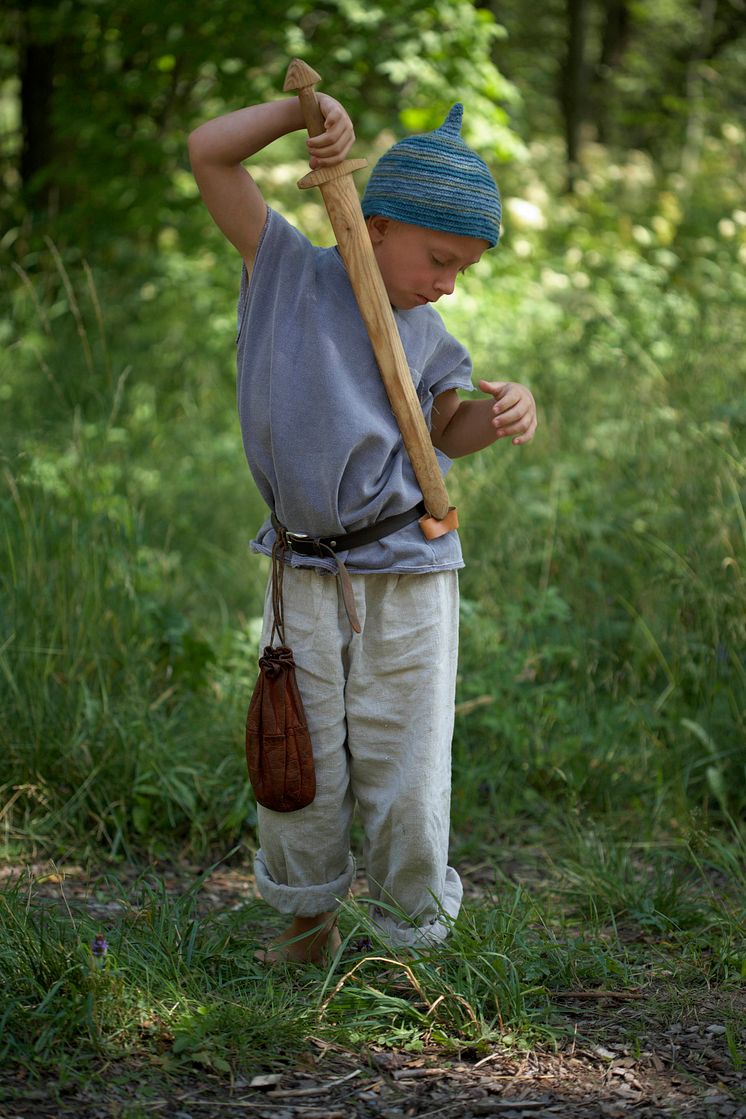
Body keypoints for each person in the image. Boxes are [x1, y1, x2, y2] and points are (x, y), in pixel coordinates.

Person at [188, 88, 537, 964]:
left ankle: (410, 940)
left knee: (407, 761)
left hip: (409, 570)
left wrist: (492, 421)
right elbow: (209, 153)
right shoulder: (283, 272)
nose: (449, 282)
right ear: (374, 224)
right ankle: (308, 924)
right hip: (303, 566)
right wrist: (296, 116)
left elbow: (441, 435)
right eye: (440, 258)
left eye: (465, 269)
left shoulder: (430, 333)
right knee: (296, 752)